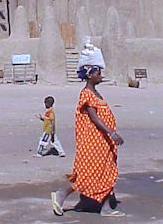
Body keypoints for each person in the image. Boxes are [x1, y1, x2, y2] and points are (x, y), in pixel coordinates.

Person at [51, 65, 126, 217]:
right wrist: (111, 132)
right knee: (89, 172)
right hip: (93, 140)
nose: (101, 76)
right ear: (90, 76)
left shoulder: (96, 93)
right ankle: (62, 193)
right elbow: (94, 118)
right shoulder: (86, 93)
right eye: (98, 74)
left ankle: (105, 207)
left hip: (103, 141)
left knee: (108, 170)